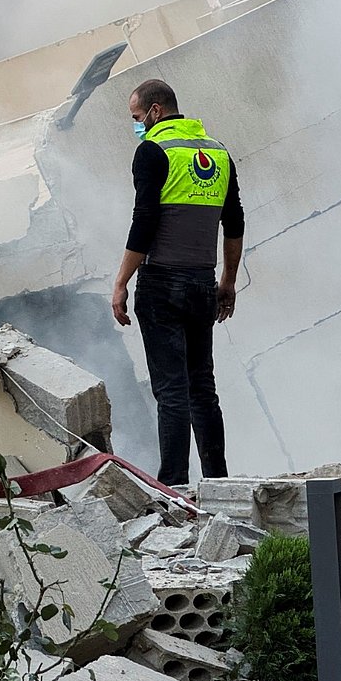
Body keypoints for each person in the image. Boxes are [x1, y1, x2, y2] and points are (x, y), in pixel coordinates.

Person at [111, 79, 244, 487]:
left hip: (162, 286)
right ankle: (218, 483)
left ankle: (175, 487)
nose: (136, 126)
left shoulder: (152, 152)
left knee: (171, 392)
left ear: (154, 111)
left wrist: (120, 283)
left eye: (136, 117)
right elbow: (234, 221)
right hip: (204, 283)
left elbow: (145, 221)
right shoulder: (218, 153)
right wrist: (227, 281)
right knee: (203, 387)